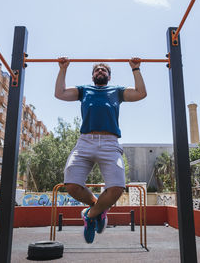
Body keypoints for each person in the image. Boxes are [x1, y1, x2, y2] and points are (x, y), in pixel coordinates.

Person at [54, 57, 147, 243]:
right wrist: (63, 69)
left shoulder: (117, 91)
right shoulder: (84, 90)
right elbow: (60, 93)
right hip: (85, 141)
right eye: (97, 70)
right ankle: (99, 209)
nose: (100, 71)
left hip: (110, 142)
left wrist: (135, 69)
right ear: (92, 75)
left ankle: (90, 215)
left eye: (104, 70)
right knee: (71, 184)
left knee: (117, 187)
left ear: (109, 76)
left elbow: (140, 93)